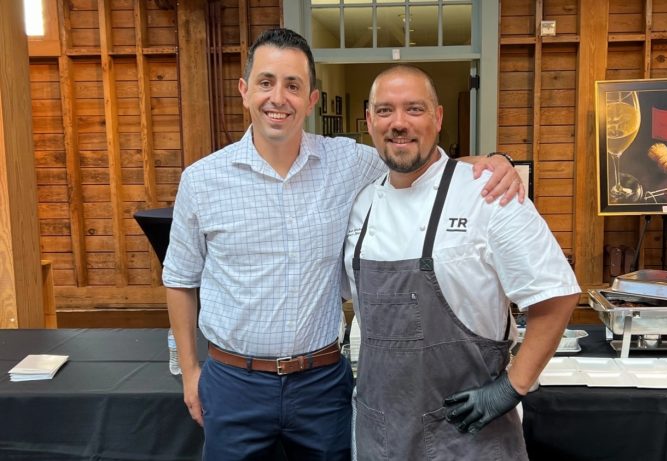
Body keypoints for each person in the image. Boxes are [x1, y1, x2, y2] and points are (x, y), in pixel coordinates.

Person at [162, 29, 525, 461]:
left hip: (320, 383)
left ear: (311, 99)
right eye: (266, 82)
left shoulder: (350, 162)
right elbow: (180, 279)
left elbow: (416, 161)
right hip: (235, 380)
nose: (278, 98)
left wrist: (493, 162)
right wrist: (190, 371)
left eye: (293, 85)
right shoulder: (201, 180)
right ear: (244, 91)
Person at [343, 65, 581, 460]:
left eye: (414, 109)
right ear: (369, 121)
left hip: (468, 435)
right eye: (385, 110)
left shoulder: (488, 192)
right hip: (380, 433)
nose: (399, 123)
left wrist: (512, 387)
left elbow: (555, 296)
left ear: (437, 118)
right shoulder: (362, 204)